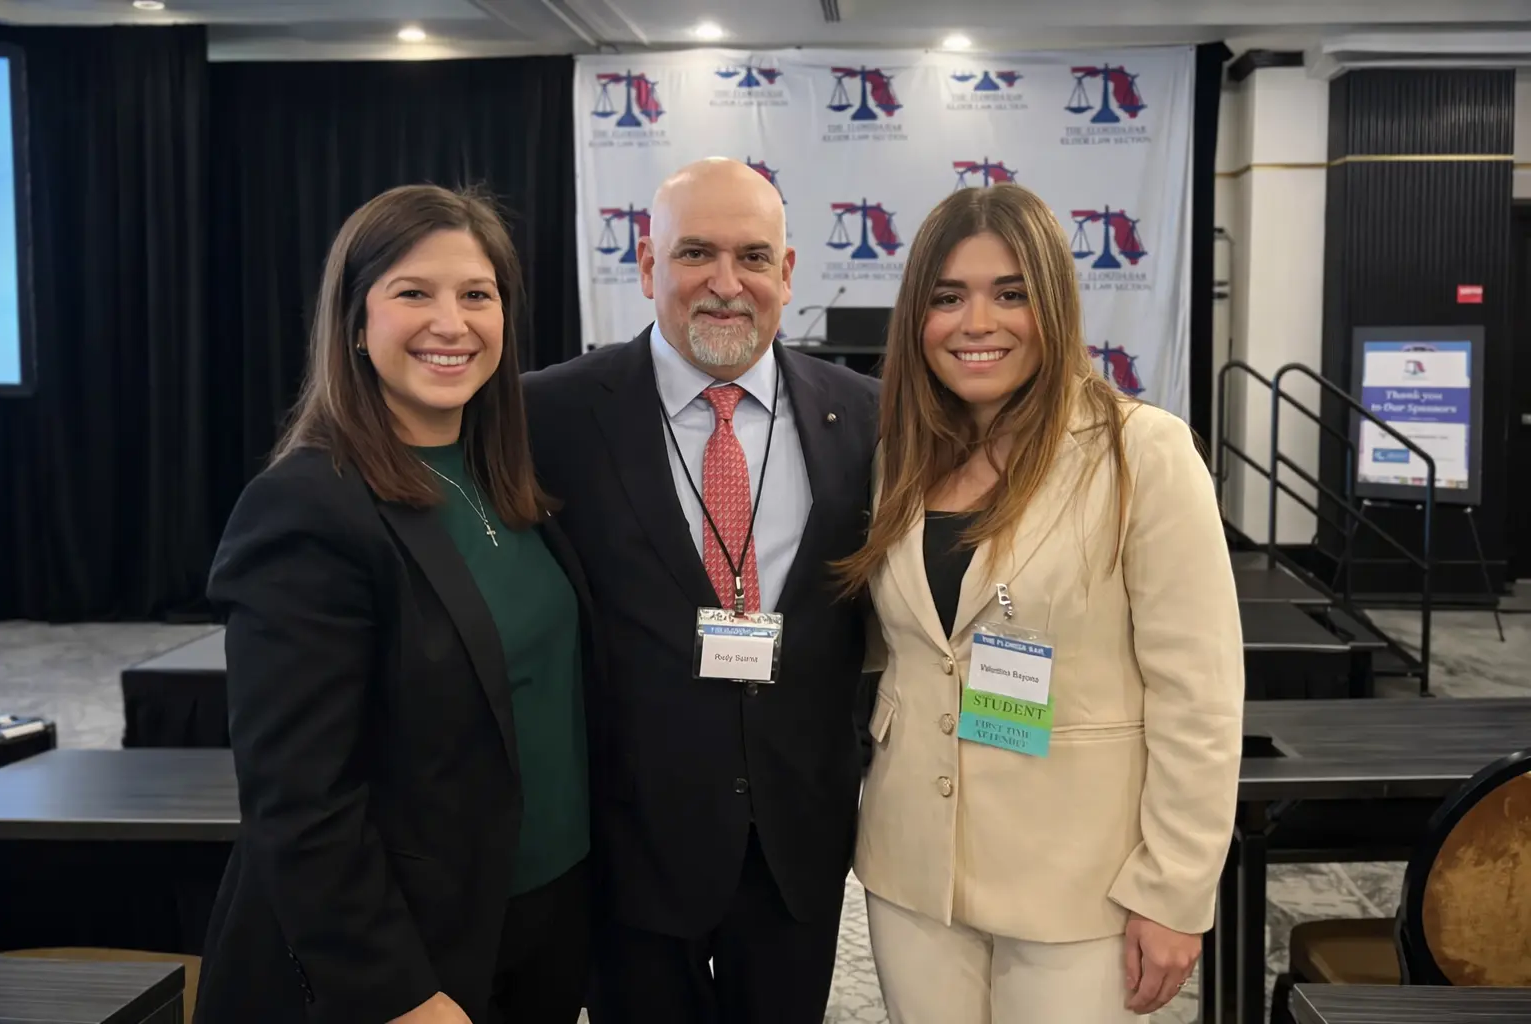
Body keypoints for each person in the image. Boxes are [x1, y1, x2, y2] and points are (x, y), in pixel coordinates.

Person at [839, 182, 1243, 1022]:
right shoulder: (900, 460)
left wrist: (1174, 890)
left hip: (1079, 877)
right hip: (915, 868)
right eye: (948, 298)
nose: (976, 323)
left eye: (1010, 293)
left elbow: (1199, 695)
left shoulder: (1143, 452)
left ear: (1054, 304)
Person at [195, 184, 596, 1024]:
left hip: (538, 922)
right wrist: (396, 992)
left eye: (476, 295)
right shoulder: (307, 509)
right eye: (413, 292)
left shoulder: (507, 481)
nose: (450, 323)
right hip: (413, 958)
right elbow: (298, 798)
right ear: (354, 320)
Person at [522, 157, 879, 1024]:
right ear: (647, 267)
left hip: (798, 839)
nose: (727, 284)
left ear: (788, 274)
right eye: (695, 255)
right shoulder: (548, 416)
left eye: (754, 256)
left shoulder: (869, 413)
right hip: (627, 840)